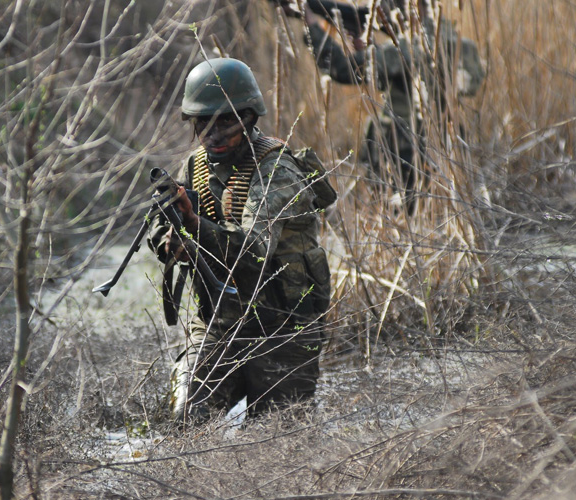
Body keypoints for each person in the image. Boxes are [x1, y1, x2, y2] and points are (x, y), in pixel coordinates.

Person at [148, 57, 332, 425]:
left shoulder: (278, 171)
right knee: (185, 416)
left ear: (249, 118)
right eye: (203, 123)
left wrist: (195, 224)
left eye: (226, 122)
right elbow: (160, 226)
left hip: (284, 325)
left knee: (280, 436)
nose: (213, 134)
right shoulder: (195, 166)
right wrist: (169, 240)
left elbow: (255, 250)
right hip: (220, 319)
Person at [303, 0, 485, 214]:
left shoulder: (405, 49)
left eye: (386, 9)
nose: (382, 15)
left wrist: (311, 25)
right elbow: (411, 79)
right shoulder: (461, 46)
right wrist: (366, 50)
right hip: (447, 149)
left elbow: (341, 69)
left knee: (402, 214)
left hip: (404, 153)